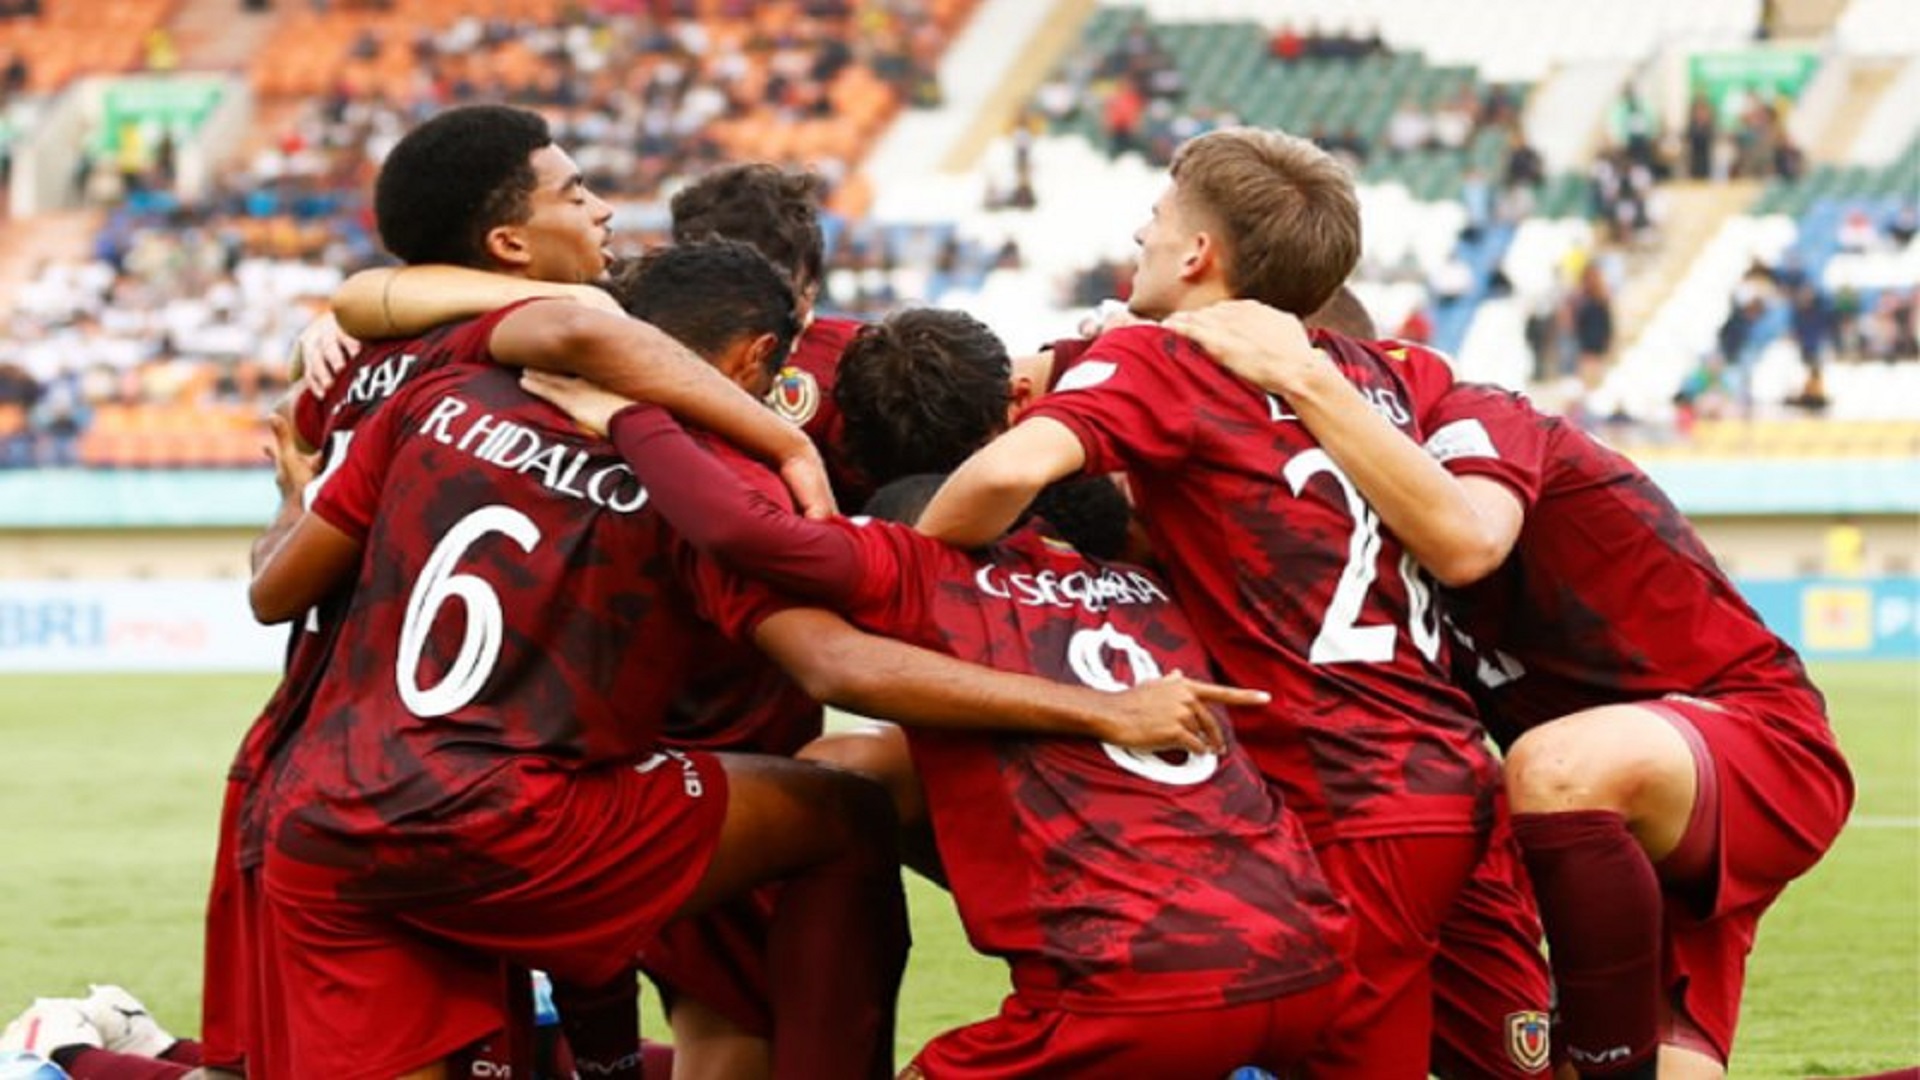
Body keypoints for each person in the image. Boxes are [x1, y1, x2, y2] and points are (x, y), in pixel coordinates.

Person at [517, 352, 1352, 1078]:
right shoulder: (1154, 593)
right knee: (854, 776)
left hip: (1138, 997)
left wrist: (630, 415)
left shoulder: (923, 566)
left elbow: (755, 542)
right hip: (1314, 959)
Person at [916, 127, 1502, 1077]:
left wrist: (918, 558)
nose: (1139, 234)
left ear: (1197, 254)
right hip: (1427, 765)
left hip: (1348, 783)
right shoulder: (1364, 376)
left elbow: (1006, 472)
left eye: (1155, 217)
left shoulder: (1169, 360)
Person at [1170, 299, 1853, 1080]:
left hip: (1746, 743)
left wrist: (1301, 378)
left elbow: (1471, 542)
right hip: (1606, 834)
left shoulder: (1469, 417)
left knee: (1553, 766)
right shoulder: (1321, 515)